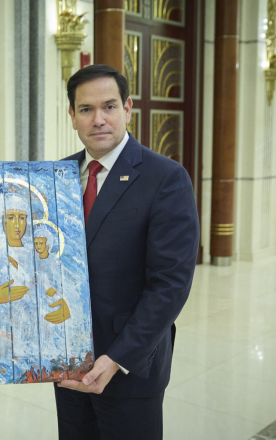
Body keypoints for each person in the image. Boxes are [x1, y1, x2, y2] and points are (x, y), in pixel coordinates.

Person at [54, 64, 199, 439]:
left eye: (109, 106)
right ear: (72, 115)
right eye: (86, 109)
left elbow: (170, 284)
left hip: (130, 366)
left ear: (128, 108)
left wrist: (118, 358)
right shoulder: (56, 176)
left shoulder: (165, 178)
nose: (98, 119)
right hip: (66, 360)